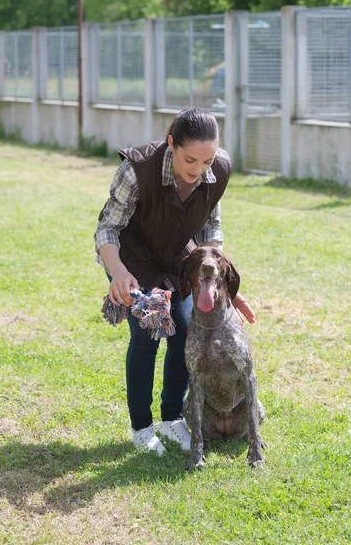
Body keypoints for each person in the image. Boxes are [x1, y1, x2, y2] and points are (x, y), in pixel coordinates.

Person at [94, 108, 255, 456]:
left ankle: (171, 418)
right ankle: (141, 428)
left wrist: (220, 285)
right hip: (129, 259)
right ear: (171, 144)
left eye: (208, 161)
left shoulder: (218, 171)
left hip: (179, 261)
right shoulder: (137, 170)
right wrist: (119, 274)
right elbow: (107, 228)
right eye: (190, 160)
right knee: (148, 333)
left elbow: (211, 228)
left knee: (185, 330)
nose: (199, 171)